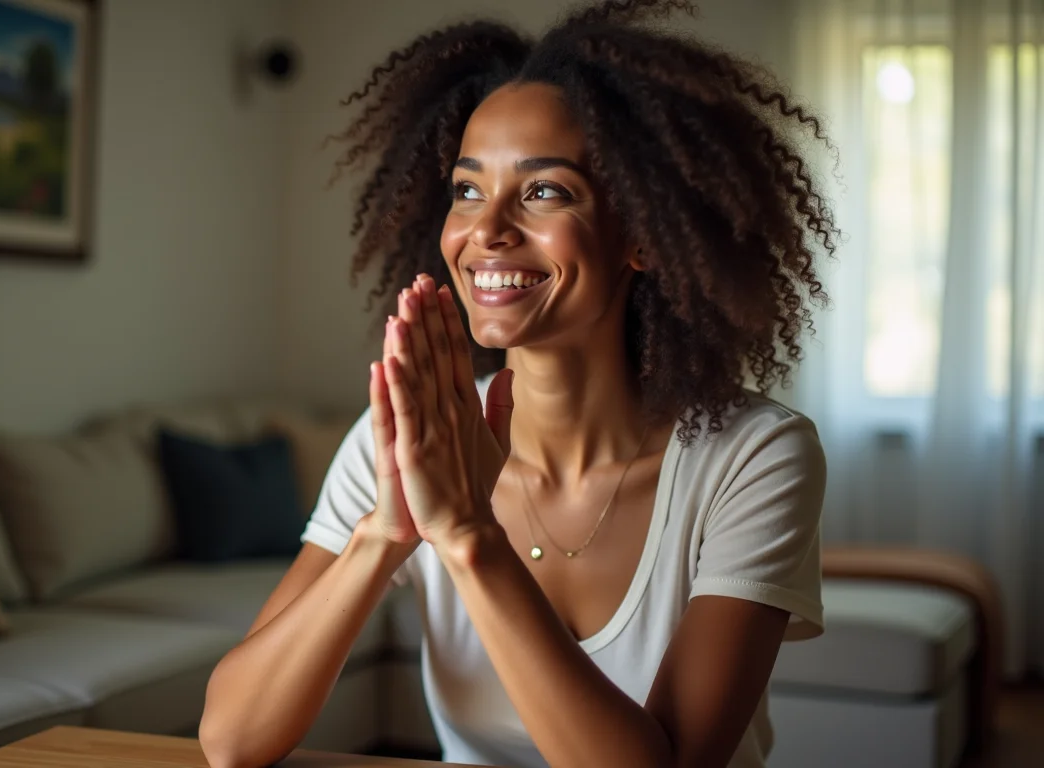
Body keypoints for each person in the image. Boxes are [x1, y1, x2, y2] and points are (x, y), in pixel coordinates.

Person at [199, 1, 835, 766]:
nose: (486, 230)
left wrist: (470, 537)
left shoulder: (753, 458)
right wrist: (384, 534)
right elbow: (232, 740)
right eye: (467, 190)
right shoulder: (407, 436)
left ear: (644, 233)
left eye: (544, 192)